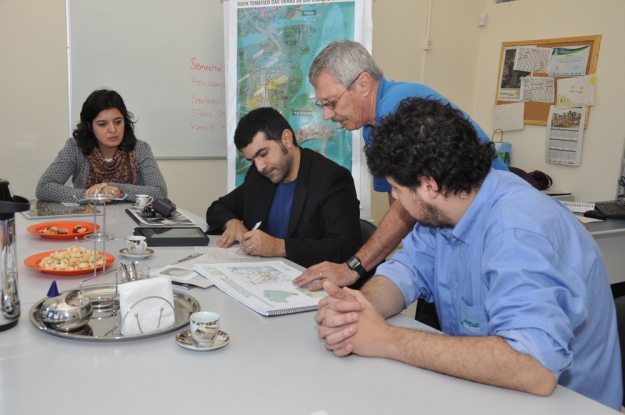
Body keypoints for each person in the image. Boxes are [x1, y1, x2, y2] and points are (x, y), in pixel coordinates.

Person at [314, 97, 622, 410]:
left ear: (429, 185)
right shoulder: (446, 208)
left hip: (568, 404)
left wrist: (386, 339)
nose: (393, 197)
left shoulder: (516, 230)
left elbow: (535, 370)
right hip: (486, 394)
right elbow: (404, 272)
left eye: (396, 188)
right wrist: (359, 312)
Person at [294, 40, 508, 291]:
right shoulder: (371, 128)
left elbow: (408, 206)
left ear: (363, 84)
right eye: (323, 105)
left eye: (332, 102)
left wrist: (352, 267)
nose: (328, 115)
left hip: (493, 229)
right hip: (448, 238)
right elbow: (402, 202)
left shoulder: (399, 110)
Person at [206, 107, 361, 268]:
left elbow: (345, 248)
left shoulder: (331, 178)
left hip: (311, 280)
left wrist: (279, 247)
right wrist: (232, 223)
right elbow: (218, 208)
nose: (260, 167)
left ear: (286, 139)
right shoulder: (259, 177)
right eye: (252, 160)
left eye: (263, 154)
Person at [36, 89, 167, 203]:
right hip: (88, 222)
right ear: (90, 126)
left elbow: (160, 193)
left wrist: (113, 188)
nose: (113, 129)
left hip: (131, 224)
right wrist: (93, 195)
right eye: (102, 124)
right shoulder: (75, 148)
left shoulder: (140, 149)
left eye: (117, 122)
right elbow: (44, 187)